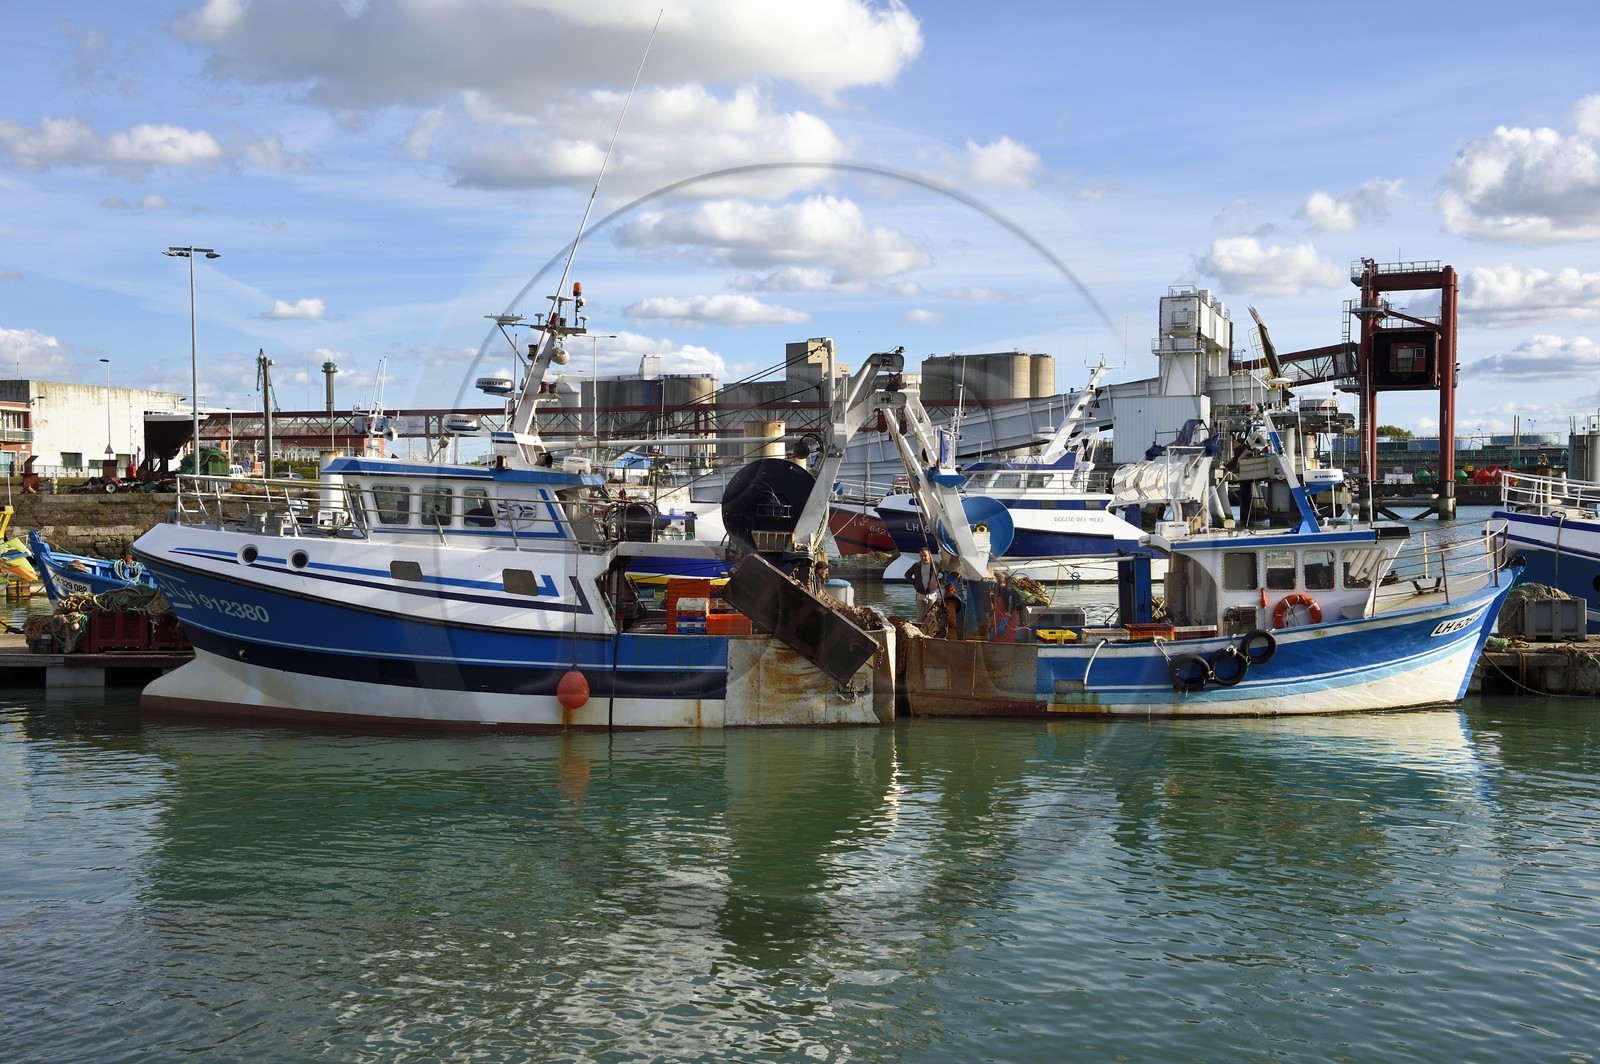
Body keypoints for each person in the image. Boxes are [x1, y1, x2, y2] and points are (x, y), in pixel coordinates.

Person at [991, 570, 1024, 642]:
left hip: (1006, 626)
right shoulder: (998, 592)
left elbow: (1010, 609)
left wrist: (1003, 625)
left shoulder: (1008, 592)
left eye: (997, 582)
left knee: (1005, 643)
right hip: (997, 625)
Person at [908, 547, 940, 622]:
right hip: (920, 594)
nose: (923, 558)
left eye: (925, 555)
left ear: (929, 555)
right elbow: (907, 574)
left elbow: (945, 574)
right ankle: (920, 632)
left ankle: (931, 633)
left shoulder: (935, 565)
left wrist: (939, 583)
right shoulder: (916, 565)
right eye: (921, 556)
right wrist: (914, 583)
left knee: (932, 618)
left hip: (932, 594)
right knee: (920, 618)